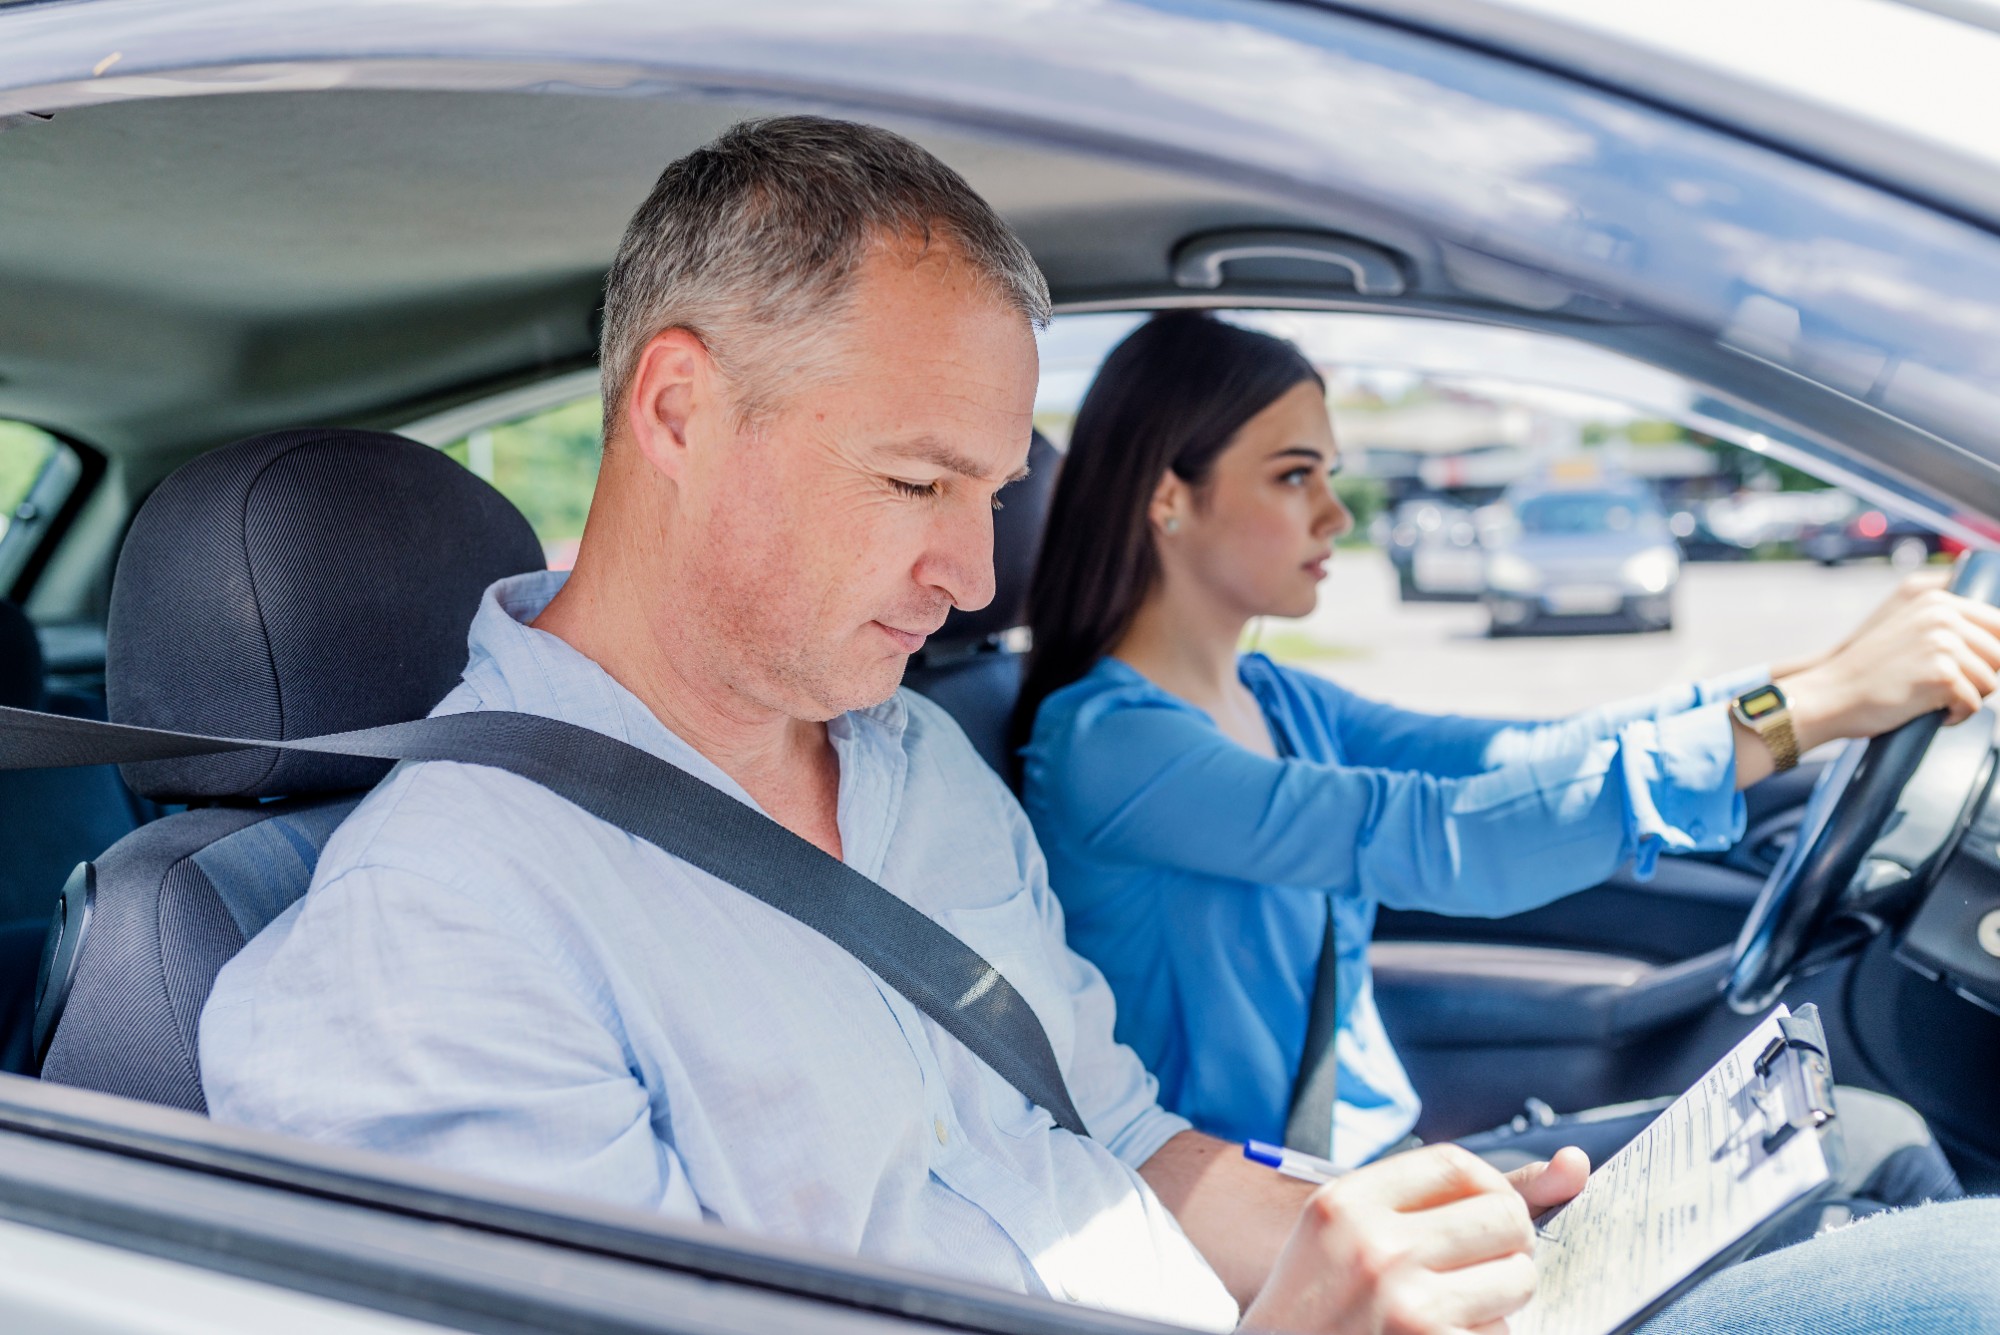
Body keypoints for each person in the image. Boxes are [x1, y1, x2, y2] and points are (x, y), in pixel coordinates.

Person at [198, 118, 2000, 1334]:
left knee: (1907, 1225)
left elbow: (1121, 1135)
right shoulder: (435, 931)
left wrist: (1358, 1240)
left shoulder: (912, 770)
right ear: (677, 411)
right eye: (916, 479)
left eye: (991, 490)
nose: (977, 572)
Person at [1014, 312, 1974, 1200]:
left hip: (1376, 1167)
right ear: (1167, 497)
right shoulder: (1111, 742)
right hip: (1284, 1216)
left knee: (1849, 1134)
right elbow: (1444, 840)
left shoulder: (1276, 696)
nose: (1337, 516)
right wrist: (1806, 714)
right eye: (1295, 474)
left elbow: (1529, 753)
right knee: (1862, 1141)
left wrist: (1821, 680)